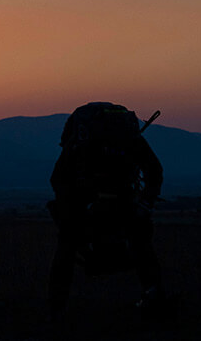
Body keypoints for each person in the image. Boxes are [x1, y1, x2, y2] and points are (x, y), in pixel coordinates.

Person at [48, 102, 165, 321]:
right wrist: (144, 205)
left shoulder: (79, 143)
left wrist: (71, 209)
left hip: (93, 206)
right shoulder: (131, 140)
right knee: (142, 246)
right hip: (126, 204)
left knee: (66, 247)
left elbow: (57, 179)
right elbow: (154, 171)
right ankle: (154, 297)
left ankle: (56, 308)